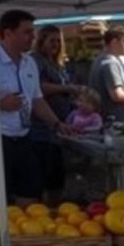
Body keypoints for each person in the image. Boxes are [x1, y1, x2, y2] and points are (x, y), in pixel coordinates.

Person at [0, 10, 74, 207]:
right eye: (26, 32)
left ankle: (23, 235)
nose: (32, 37)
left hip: (22, 137)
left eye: (32, 32)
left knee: (30, 192)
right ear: (8, 34)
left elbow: (36, 99)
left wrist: (56, 123)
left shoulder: (29, 63)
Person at [30, 25, 80, 205]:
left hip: (58, 128)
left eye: (59, 41)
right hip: (41, 130)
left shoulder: (56, 62)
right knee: (45, 177)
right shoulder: (34, 60)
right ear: (41, 40)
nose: (56, 45)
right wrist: (67, 88)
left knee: (56, 176)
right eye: (52, 40)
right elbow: (37, 89)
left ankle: (53, 206)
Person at [88, 25, 124, 123]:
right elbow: (117, 95)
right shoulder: (110, 63)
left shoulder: (100, 59)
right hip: (116, 121)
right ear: (114, 42)